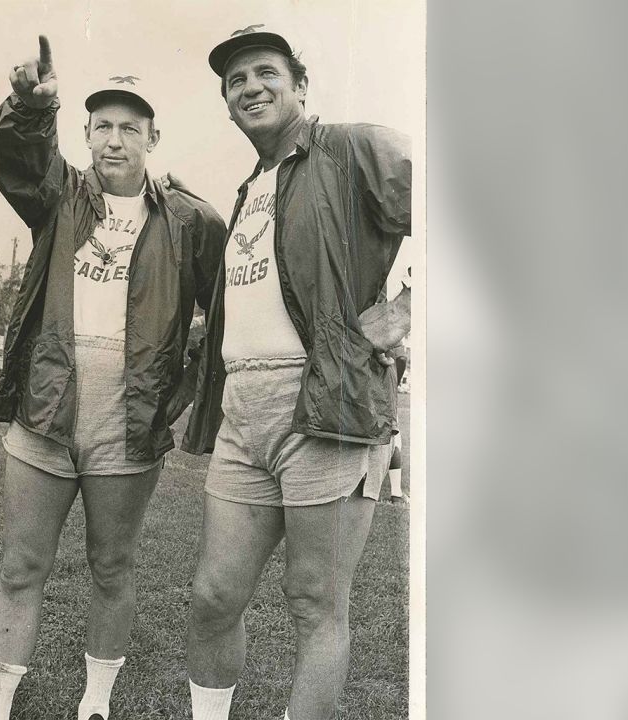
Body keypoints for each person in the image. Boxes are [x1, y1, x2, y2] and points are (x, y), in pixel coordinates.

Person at [0, 35, 227, 720]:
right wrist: (34, 108)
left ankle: (96, 705)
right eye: (103, 126)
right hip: (46, 416)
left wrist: (176, 397)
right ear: (85, 134)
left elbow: (228, 313)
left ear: (153, 137)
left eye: (129, 128)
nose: (115, 139)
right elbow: (20, 159)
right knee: (21, 567)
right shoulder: (61, 196)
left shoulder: (190, 220)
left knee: (111, 569)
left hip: (128, 427)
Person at [180, 25, 413, 720]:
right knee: (214, 597)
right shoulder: (252, 187)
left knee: (314, 603)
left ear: (300, 85)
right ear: (226, 104)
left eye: (264, 72)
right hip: (243, 414)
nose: (249, 87)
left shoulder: (351, 147)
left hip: (328, 407)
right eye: (235, 81)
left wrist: (407, 306)